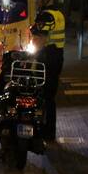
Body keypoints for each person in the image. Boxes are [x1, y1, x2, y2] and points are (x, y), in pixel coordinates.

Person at [30, 8, 65, 149]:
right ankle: (49, 132)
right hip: (58, 55)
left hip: (46, 56)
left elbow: (40, 35)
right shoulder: (59, 15)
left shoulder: (46, 16)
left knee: (41, 94)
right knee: (50, 97)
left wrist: (32, 55)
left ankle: (43, 130)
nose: (37, 1)